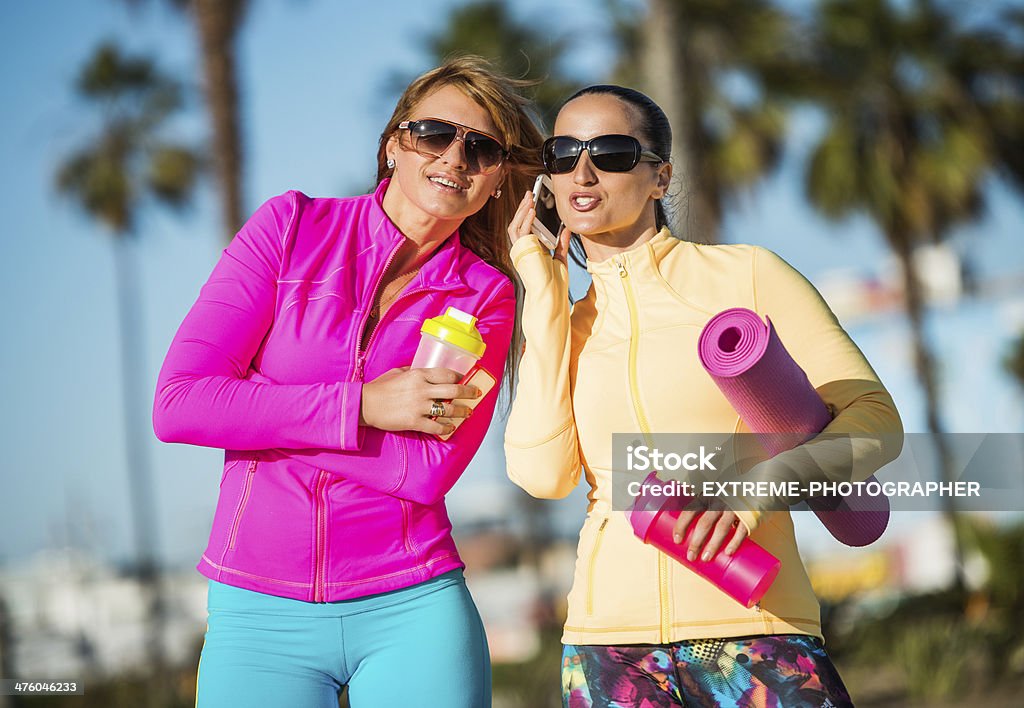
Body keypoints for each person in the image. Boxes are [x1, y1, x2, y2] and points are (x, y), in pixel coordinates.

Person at [153, 56, 543, 708]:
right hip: (257, 611)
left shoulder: (486, 294)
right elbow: (180, 404)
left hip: (413, 606)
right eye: (434, 134)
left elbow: (424, 472)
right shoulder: (289, 229)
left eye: (481, 148)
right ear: (394, 142)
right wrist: (364, 406)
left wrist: (255, 413)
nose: (454, 157)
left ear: (498, 178)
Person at [504, 85, 904, 707]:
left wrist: (754, 492)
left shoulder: (746, 274)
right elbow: (542, 474)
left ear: (659, 177)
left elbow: (877, 422)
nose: (582, 172)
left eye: (610, 152)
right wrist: (546, 298)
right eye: (562, 153)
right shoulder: (566, 325)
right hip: (608, 645)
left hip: (756, 629)